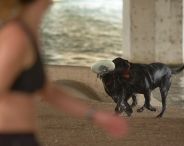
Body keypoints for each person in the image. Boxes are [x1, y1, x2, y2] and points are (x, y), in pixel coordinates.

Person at [0, 0, 128, 145]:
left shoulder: (29, 34)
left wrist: (97, 116)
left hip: (24, 138)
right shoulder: (15, 37)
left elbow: (50, 92)